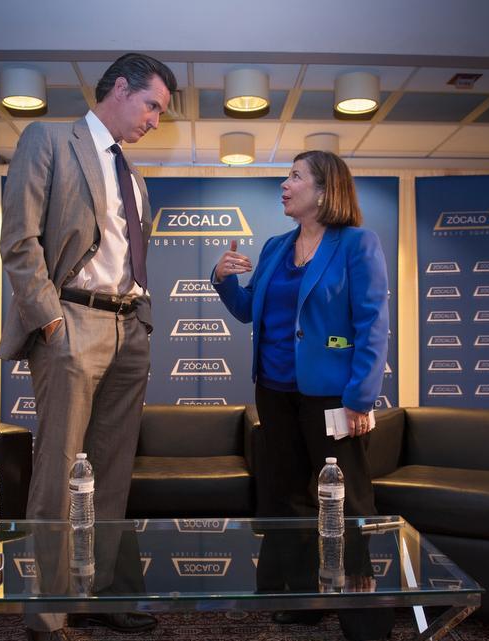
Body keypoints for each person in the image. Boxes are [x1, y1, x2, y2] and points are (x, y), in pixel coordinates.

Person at [0, 52, 176, 641]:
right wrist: (51, 325)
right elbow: (21, 242)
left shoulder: (136, 175)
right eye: (152, 105)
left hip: (129, 329)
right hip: (72, 323)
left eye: (161, 113)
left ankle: (98, 594)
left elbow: (130, 259)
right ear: (119, 89)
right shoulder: (48, 138)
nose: (155, 120)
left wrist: (142, 321)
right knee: (57, 474)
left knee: (112, 475)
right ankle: (45, 615)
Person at [211, 150, 393, 641]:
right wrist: (222, 278)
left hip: (332, 398)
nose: (284, 184)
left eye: (294, 176)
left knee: (348, 504)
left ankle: (365, 619)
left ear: (324, 189)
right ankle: (304, 600)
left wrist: (360, 397)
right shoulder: (274, 247)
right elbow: (249, 309)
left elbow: (373, 324)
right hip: (273, 393)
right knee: (289, 498)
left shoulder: (357, 244)